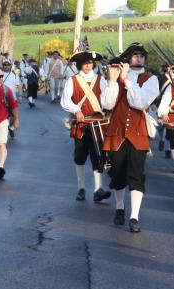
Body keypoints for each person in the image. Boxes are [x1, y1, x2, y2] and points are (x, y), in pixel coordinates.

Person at [102, 42, 159, 233]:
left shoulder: (151, 79)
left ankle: (134, 216)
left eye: (142, 55)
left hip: (138, 132)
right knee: (117, 173)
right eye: (135, 55)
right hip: (117, 132)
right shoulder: (115, 77)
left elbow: (140, 101)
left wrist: (126, 81)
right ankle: (119, 206)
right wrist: (112, 80)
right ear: (127, 58)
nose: (139, 58)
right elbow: (108, 104)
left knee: (136, 174)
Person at [60, 50, 113, 203]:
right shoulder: (73, 80)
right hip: (82, 124)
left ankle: (98, 189)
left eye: (90, 63)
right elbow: (65, 101)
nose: (88, 66)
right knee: (80, 156)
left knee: (98, 157)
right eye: (85, 63)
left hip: (98, 124)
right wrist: (76, 110)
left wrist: (108, 111)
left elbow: (107, 98)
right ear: (80, 65)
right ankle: (81, 188)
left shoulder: (101, 79)